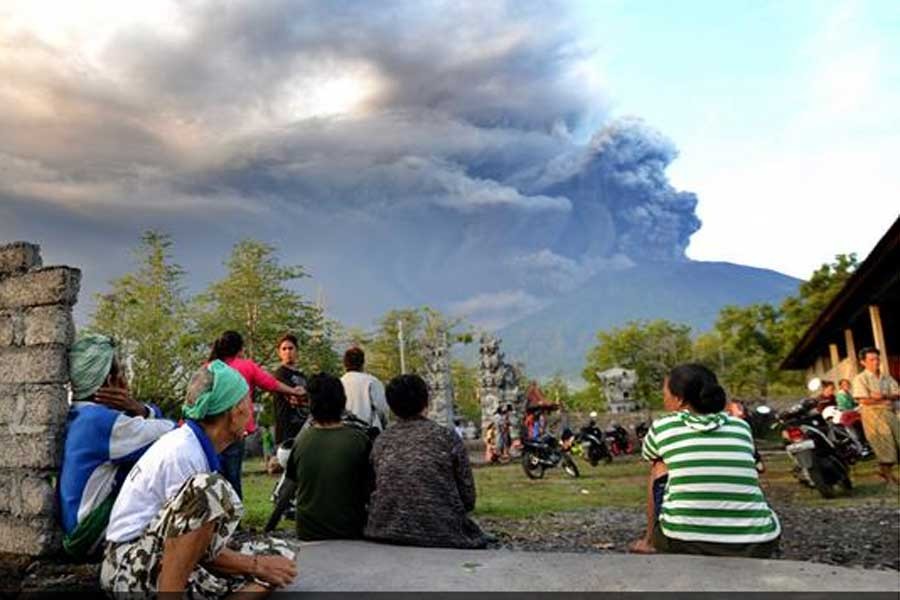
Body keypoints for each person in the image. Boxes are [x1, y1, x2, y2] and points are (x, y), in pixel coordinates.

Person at [101, 360, 297, 596]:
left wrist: (259, 564)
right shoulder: (183, 453)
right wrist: (255, 565)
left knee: (282, 555)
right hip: (129, 566)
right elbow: (181, 544)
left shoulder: (194, 445)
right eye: (247, 403)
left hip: (157, 553)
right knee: (207, 488)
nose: (250, 412)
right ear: (234, 413)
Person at [637, 363, 780, 557]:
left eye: (665, 394)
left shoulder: (663, 427)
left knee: (659, 464)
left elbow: (649, 455)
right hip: (757, 541)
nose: (664, 399)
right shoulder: (740, 427)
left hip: (682, 540)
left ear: (678, 400)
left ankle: (649, 541)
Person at [58, 334, 175, 558]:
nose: (125, 378)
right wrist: (138, 407)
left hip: (75, 526)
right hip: (88, 533)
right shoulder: (102, 422)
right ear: (109, 381)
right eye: (120, 372)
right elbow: (172, 433)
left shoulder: (79, 414)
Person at [365, 374, 489, 549]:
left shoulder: (381, 441)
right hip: (443, 532)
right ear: (426, 401)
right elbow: (468, 498)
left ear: (391, 407)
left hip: (384, 529)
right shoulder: (446, 437)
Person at [209, 331, 305, 499]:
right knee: (232, 476)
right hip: (235, 429)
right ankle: (235, 520)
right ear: (240, 349)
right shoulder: (246, 366)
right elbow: (271, 384)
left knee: (212, 475)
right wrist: (293, 391)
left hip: (211, 430)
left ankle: (214, 518)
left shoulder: (210, 366)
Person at [282, 373, 372, 540]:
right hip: (350, 531)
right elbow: (370, 488)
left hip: (308, 532)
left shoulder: (301, 441)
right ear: (342, 401)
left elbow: (290, 485)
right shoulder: (359, 440)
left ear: (311, 404)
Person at [852, 347, 900, 484]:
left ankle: (883, 471)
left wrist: (883, 396)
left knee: (897, 442)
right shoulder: (860, 379)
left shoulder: (886, 377)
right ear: (863, 362)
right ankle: (888, 476)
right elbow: (863, 400)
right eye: (872, 359)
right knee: (884, 444)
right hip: (873, 415)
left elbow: (897, 393)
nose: (876, 362)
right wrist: (882, 399)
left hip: (889, 412)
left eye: (877, 359)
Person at [271, 334, 309, 445]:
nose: (288, 352)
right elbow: (296, 396)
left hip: (303, 430)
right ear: (279, 353)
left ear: (297, 351)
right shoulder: (280, 374)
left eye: (291, 348)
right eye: (284, 349)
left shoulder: (303, 376)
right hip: (286, 432)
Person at [340, 347, 388, 431]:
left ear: (345, 363)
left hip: (344, 430)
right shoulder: (372, 381)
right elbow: (382, 408)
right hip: (369, 432)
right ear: (362, 362)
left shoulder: (339, 382)